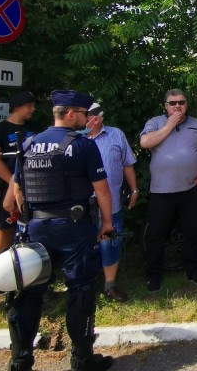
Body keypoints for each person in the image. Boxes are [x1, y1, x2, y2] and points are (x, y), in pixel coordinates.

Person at [7, 90, 114, 371]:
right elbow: (102, 190)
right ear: (70, 114)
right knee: (81, 289)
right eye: (83, 114)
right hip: (73, 228)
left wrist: (27, 218)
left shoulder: (28, 143)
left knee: (29, 293)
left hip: (35, 229)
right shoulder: (81, 145)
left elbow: (18, 189)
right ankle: (81, 358)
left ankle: (20, 361)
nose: (87, 119)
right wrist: (107, 223)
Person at [140, 89, 197, 291]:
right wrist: (170, 124)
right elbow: (145, 142)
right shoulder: (155, 122)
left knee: (192, 232)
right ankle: (154, 275)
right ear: (166, 106)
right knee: (156, 234)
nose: (177, 106)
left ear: (186, 104)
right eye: (172, 103)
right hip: (161, 191)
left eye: (181, 102)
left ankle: (193, 271)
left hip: (190, 189)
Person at [84, 103, 139, 303]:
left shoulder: (116, 135)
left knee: (111, 243)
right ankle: (83, 284)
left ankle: (110, 284)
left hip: (112, 203)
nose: (80, 121)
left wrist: (134, 190)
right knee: (82, 244)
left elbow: (127, 164)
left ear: (96, 119)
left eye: (85, 117)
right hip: (82, 207)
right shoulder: (74, 138)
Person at [0, 90, 37, 252]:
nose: (33, 109)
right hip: (6, 186)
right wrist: (13, 181)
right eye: (29, 105)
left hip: (32, 185)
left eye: (33, 105)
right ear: (17, 106)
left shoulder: (34, 129)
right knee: (5, 225)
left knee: (30, 224)